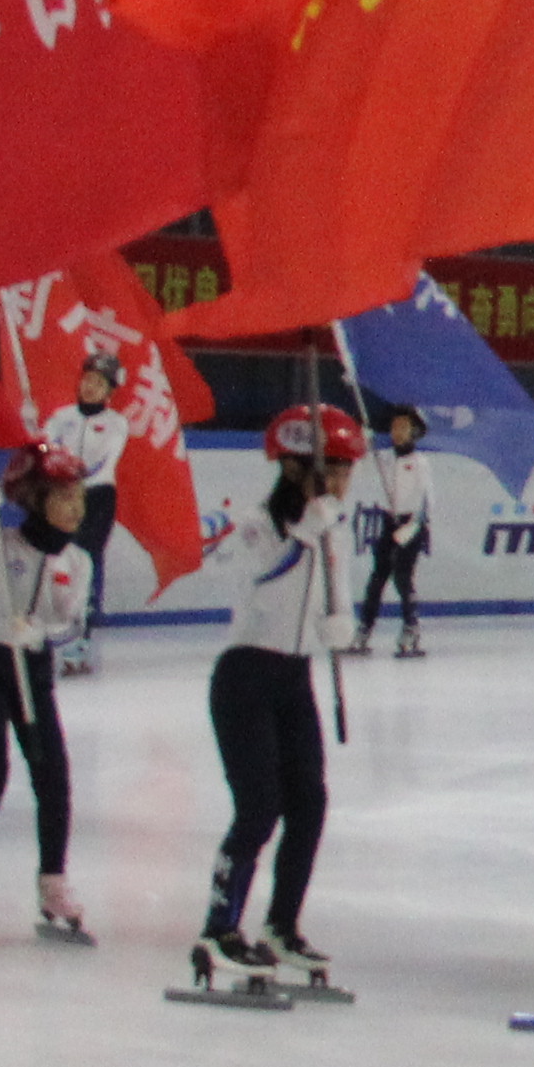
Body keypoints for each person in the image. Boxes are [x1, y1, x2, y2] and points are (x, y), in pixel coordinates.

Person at [191, 401, 360, 1000]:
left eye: (345, 470)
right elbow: (257, 578)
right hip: (246, 676)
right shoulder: (257, 525)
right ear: (292, 467)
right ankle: (218, 929)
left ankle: (281, 926)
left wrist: (341, 624)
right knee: (258, 809)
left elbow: (335, 599)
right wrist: (305, 535)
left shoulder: (333, 530)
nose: (339, 481)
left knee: (309, 804)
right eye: (329, 468)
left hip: (295, 678)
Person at [0, 458, 97, 947]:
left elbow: (72, 623)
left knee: (54, 777)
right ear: (36, 500)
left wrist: (43, 630)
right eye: (64, 497)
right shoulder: (5, 543)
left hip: (34, 667)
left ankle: (53, 881)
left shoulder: (78, 561)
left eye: (79, 497)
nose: (75, 508)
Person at [38, 347, 128, 680]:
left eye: (99, 383)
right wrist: (40, 439)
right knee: (53, 562)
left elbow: (103, 462)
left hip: (96, 498)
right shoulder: (61, 417)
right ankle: (50, 632)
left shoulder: (116, 423)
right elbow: (44, 448)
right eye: (87, 380)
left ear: (109, 390)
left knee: (85, 564)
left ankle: (81, 641)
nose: (90, 387)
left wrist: (69, 475)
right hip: (61, 496)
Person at [354, 404, 436, 658]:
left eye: (403, 427)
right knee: (378, 577)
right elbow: (362, 465)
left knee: (402, 576)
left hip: (411, 523)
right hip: (389, 521)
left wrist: (417, 524)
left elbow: (428, 498)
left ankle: (411, 627)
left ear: (414, 432)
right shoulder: (384, 459)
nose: (397, 432)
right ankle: (364, 628)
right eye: (394, 427)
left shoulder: (420, 463)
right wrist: (364, 441)